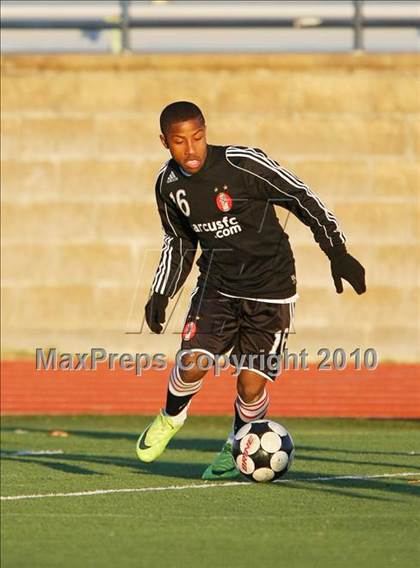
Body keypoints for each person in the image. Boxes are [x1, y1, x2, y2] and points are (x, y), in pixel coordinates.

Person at [136, 101, 366, 479]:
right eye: (179, 141)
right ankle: (172, 416)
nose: (190, 149)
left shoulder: (242, 163)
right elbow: (178, 241)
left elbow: (300, 197)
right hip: (217, 287)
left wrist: (337, 252)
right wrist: (161, 292)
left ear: (206, 131)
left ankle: (236, 444)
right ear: (164, 142)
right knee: (192, 363)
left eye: (197, 137)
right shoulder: (167, 185)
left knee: (250, 383)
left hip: (271, 290)